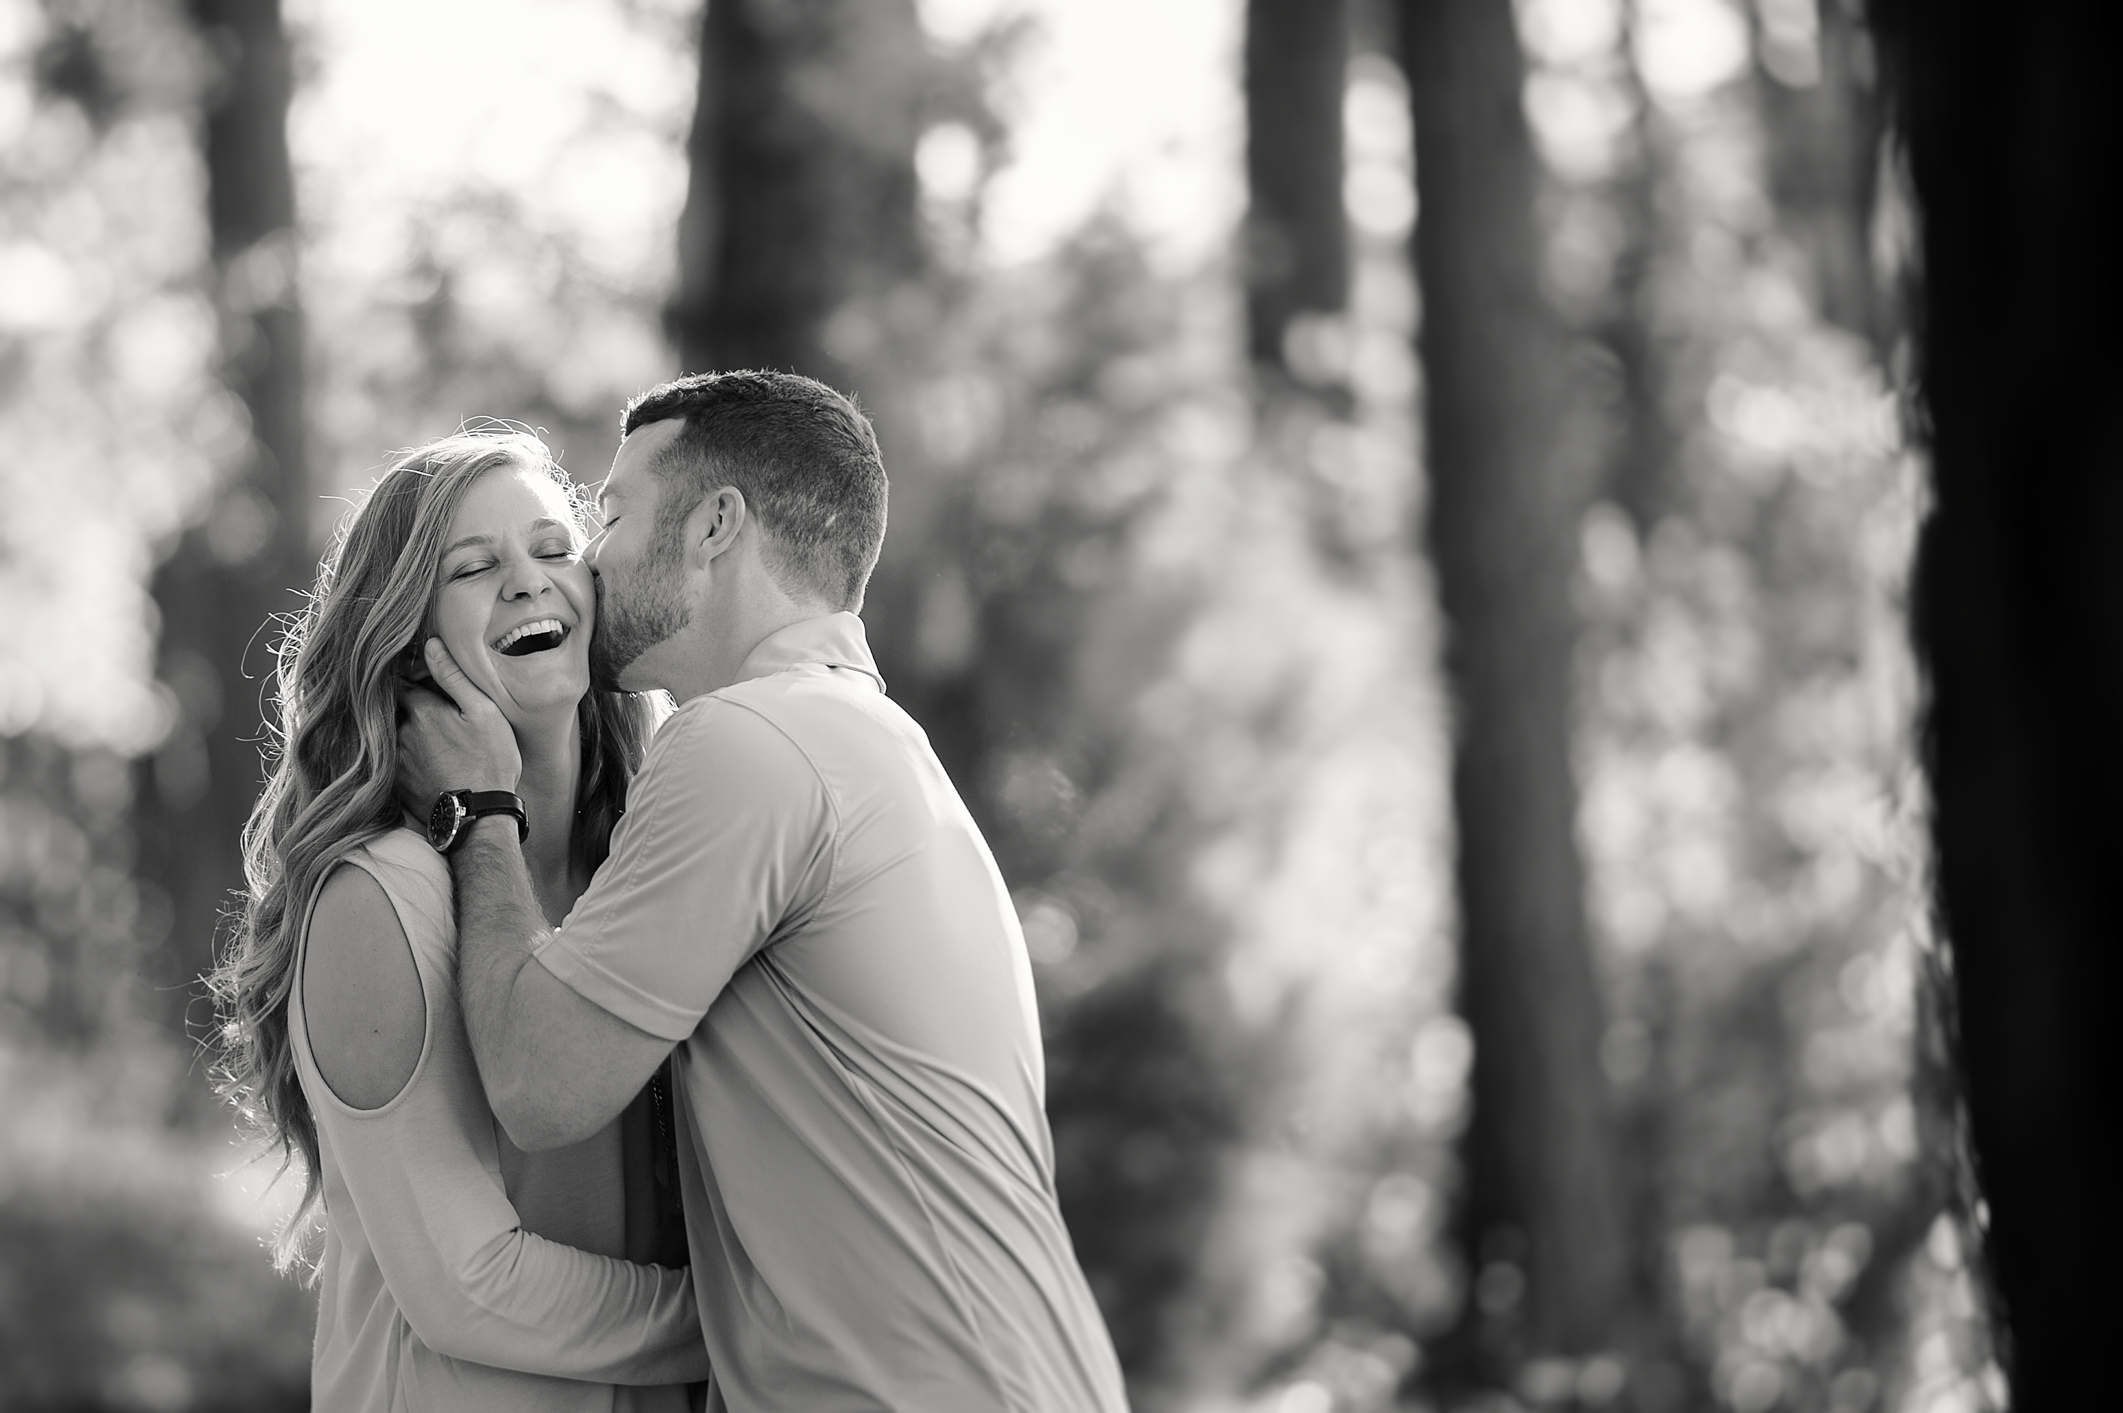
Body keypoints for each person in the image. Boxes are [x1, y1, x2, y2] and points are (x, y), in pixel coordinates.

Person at [397, 371, 1129, 1412]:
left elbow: (539, 1086)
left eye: (608, 517)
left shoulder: (748, 743)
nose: (589, 561)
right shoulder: (872, 746)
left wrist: (477, 809)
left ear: (714, 527)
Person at [212, 429, 712, 1412]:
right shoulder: (374, 900)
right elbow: (466, 1285)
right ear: (405, 644)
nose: (528, 582)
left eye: (555, 550)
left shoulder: (651, 861)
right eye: (476, 568)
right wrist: (747, 1319)